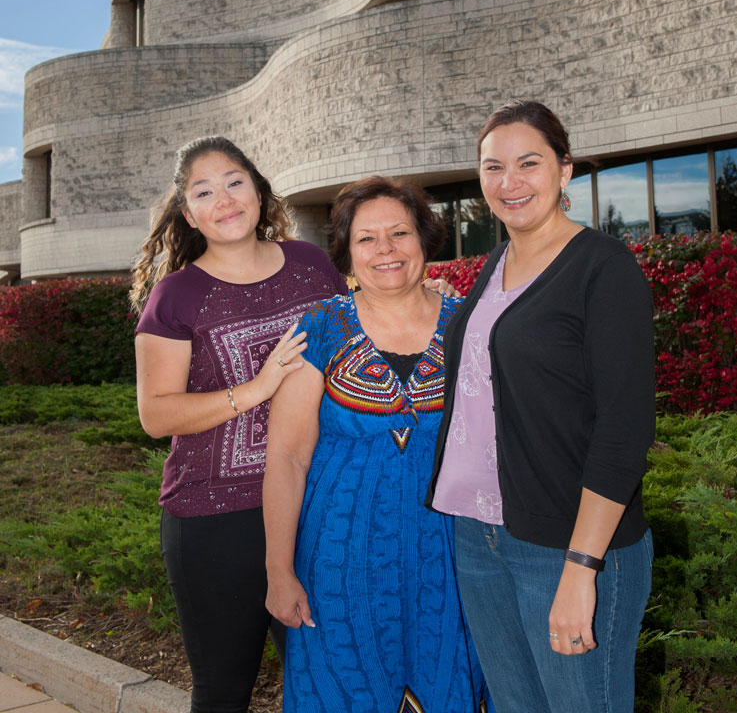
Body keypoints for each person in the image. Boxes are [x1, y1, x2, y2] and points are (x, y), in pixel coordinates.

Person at [426, 100, 656, 713]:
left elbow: (625, 430)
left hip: (567, 544)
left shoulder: (603, 268)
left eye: (528, 163)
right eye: (492, 167)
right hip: (480, 534)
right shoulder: (497, 263)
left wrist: (582, 568)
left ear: (565, 170)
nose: (509, 182)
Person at [130, 136, 348, 713]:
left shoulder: (310, 264)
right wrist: (255, 390)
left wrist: (422, 301)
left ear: (258, 190)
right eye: (204, 191)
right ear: (188, 213)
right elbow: (155, 413)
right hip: (215, 522)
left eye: (234, 183)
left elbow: (351, 346)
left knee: (333, 680)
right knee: (225, 690)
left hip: (314, 503)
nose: (223, 200)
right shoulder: (176, 296)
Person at [263, 176, 490, 713]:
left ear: (425, 241)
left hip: (453, 554)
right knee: (345, 688)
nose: (385, 250)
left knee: (451, 684)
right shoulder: (317, 331)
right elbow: (289, 459)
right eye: (367, 239)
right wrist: (278, 570)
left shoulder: (469, 325)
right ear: (346, 252)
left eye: (399, 233)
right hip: (340, 560)